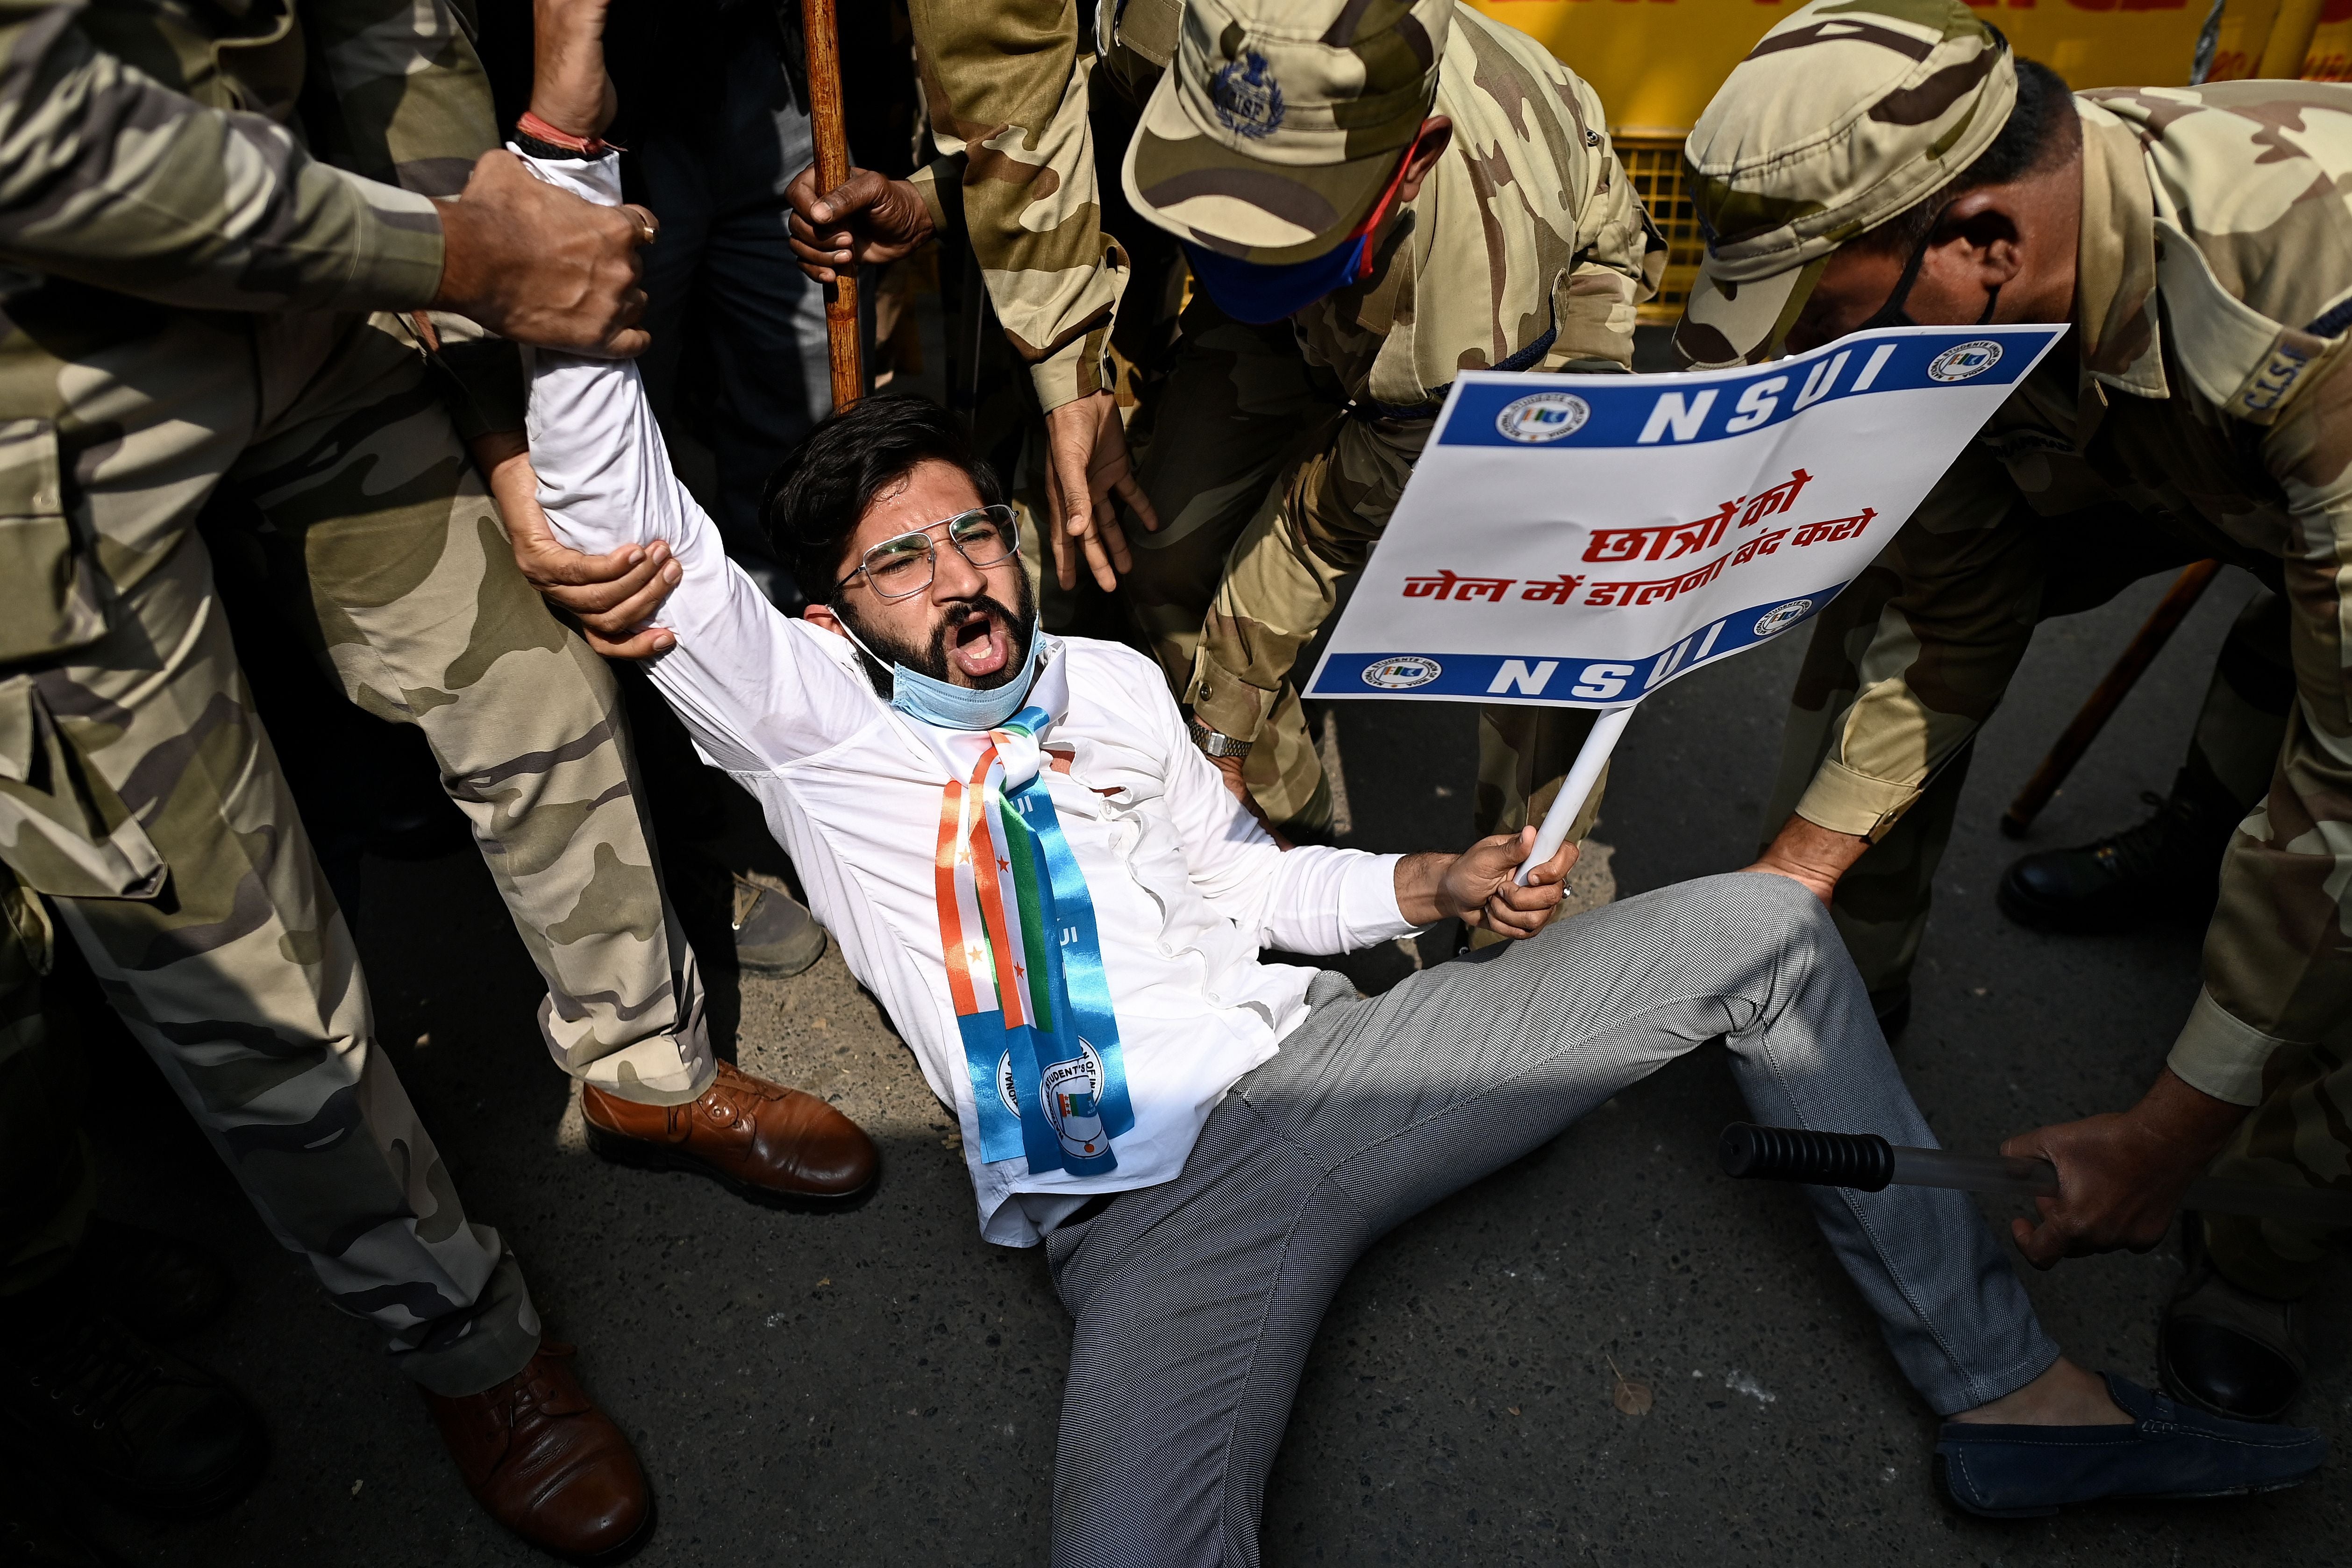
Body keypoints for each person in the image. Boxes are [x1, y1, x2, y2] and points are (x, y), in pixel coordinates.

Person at [498, 14, 2330, 1542]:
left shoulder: (1115, 687)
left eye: (972, 532)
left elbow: (1245, 890)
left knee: (1764, 934)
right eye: (904, 562)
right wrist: (570, 132)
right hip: (1149, 1225)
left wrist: (1429, 891)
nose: (963, 572)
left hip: (1348, 1075)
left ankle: (2015, 1390)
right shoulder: (819, 726)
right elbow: (609, 504)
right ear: (832, 617)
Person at [0, 0, 860, 1556]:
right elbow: (31, 133)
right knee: (228, 938)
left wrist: (497, 427)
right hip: (33, 437)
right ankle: (464, 1335)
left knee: (535, 679)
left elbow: (392, 67)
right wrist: (456, 260)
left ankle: (642, 1066)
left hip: (310, 314)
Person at [1671, 0, 2352, 1425]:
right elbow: (1958, 617)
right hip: (2183, 446)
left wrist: (2167, 1133)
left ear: (1985, 246)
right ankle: (1840, 981)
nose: (1823, 370)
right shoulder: (1979, 297)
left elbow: (2346, 801)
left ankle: (2258, 1235)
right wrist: (1789, 887)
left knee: (2322, 836)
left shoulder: (2308, 296)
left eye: (1835, 322)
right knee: (1880, 609)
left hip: (2304, 442)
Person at [788, 0, 1660, 856]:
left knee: (1549, 612)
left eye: (1274, 224)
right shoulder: (1174, 30)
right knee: (1166, 551)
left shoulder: (1467, 323)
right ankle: (1287, 859)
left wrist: (1223, 721)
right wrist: (931, 204)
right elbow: (1089, 131)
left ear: (1415, 159)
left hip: (1513, 311)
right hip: (1321, 272)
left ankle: (1518, 904)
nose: (1238, 249)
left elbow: (1325, 527)